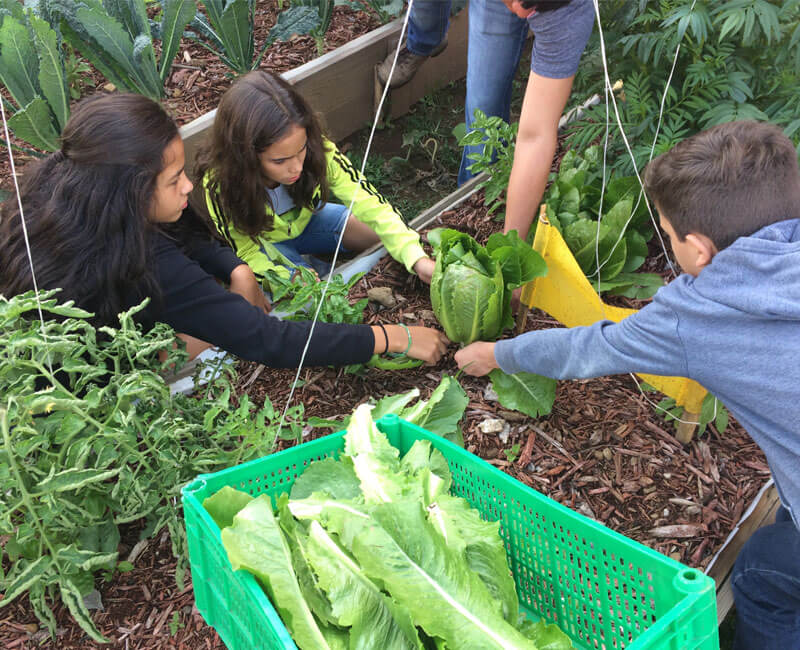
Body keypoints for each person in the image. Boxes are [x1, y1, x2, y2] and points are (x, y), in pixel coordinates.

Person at [454, 120, 800, 649]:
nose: (666, 245)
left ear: (701, 250)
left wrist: (496, 353)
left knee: (758, 575)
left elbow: (585, 349)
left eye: (666, 235)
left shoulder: (700, 313)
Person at [0, 94, 449, 369]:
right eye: (174, 179)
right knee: (204, 336)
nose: (188, 186)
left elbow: (191, 237)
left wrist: (235, 268)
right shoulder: (147, 262)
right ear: (130, 192)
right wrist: (393, 337)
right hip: (103, 381)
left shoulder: (69, 190)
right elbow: (268, 340)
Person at [194, 70, 437, 287]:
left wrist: (416, 257)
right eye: (279, 161)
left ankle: (313, 262)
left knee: (381, 235)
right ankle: (304, 268)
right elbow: (245, 250)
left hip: (309, 223)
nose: (296, 167)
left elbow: (368, 201)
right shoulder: (220, 185)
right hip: (265, 244)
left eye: (301, 151)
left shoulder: (319, 149)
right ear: (245, 155)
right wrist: (286, 277)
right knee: (307, 287)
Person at [375, 0, 594, 215]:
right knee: (484, 104)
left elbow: (535, 135)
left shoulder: (570, 13)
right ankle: (424, 42)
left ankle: (477, 206)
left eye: (531, 4)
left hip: (558, 10)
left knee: (485, 108)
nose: (520, 10)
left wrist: (512, 243)